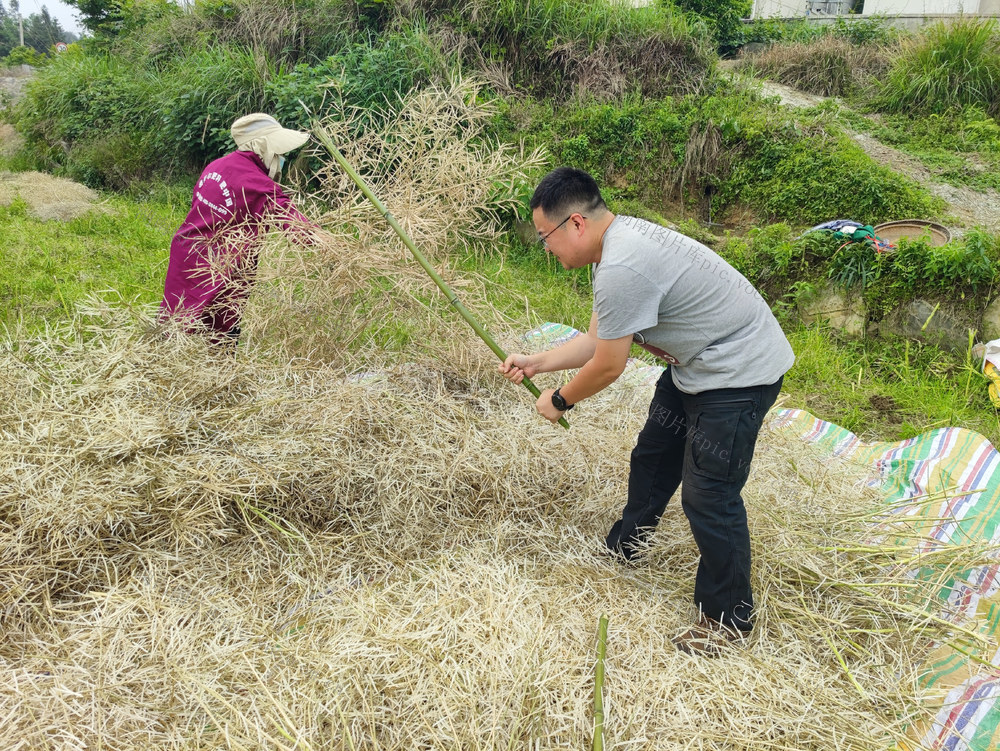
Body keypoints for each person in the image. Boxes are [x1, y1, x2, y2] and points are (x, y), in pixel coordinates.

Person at [499, 167, 794, 655]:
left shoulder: (622, 268)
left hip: (739, 372)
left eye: (545, 237)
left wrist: (559, 399)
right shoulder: (612, 250)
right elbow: (596, 340)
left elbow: (610, 366)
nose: (546, 249)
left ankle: (728, 619)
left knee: (710, 495)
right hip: (698, 365)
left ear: (575, 224)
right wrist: (539, 363)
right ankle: (628, 544)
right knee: (653, 456)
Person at [160, 113, 315, 345]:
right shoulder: (257, 182)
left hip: (187, 253)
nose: (282, 159)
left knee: (176, 325)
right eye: (280, 153)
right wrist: (333, 244)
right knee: (218, 338)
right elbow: (297, 228)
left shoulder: (216, 166)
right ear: (264, 147)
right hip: (222, 267)